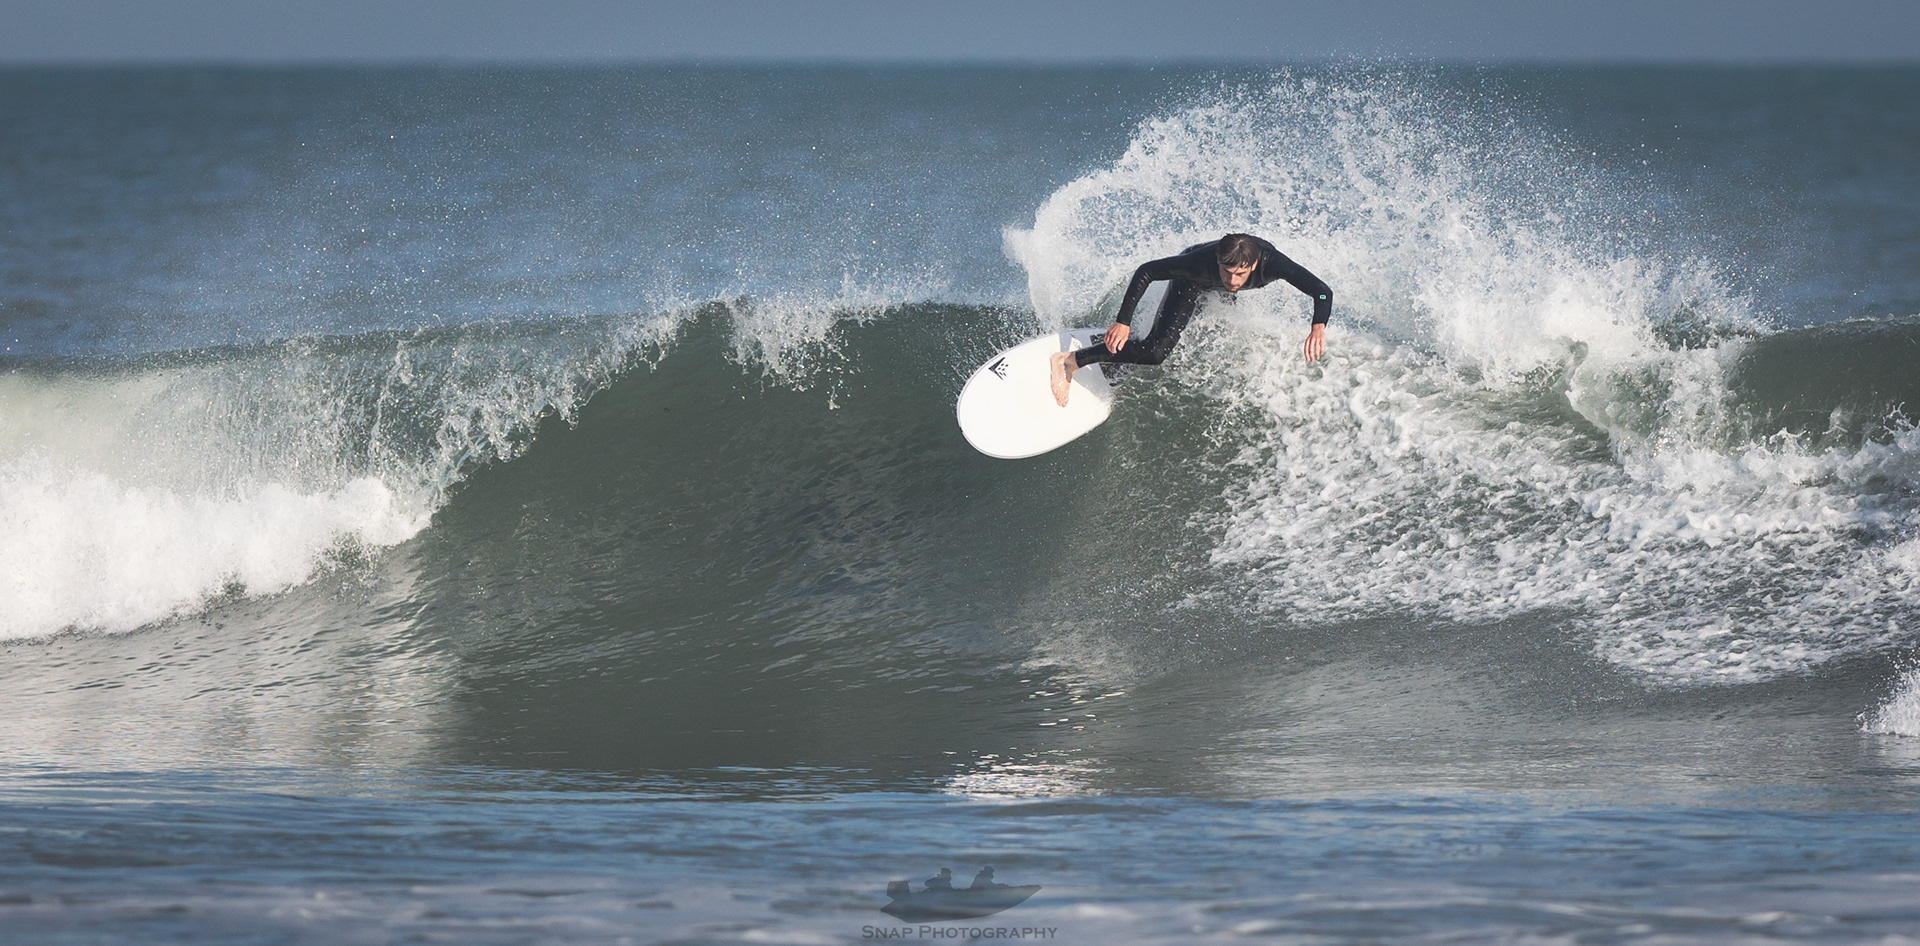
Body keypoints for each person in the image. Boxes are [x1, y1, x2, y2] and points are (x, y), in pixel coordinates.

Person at [1049, 233, 1332, 406]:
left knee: (1215, 330)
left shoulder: (1274, 264)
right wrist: (1122, 320)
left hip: (1217, 289)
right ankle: (1070, 361)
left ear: (1254, 266)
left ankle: (1123, 350)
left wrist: (1317, 327)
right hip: (1192, 284)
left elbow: (1321, 292)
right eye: (1226, 272)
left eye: (1239, 275)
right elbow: (1146, 272)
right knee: (1157, 351)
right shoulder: (1197, 265)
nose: (1232, 280)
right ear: (1219, 263)